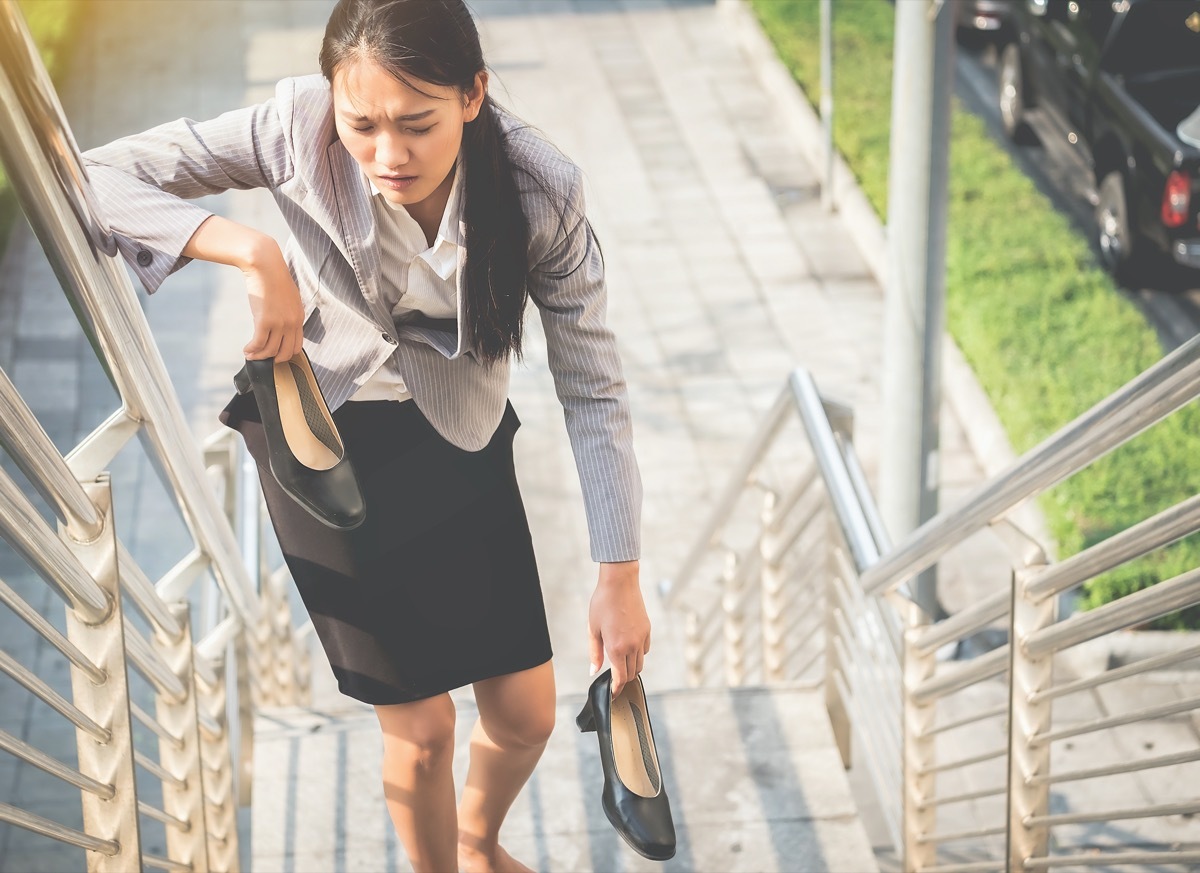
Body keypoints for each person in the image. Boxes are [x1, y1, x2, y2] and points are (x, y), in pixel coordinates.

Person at [81, 1, 651, 870]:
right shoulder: (294, 129)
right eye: (364, 125)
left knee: (528, 713)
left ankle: (476, 840)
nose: (389, 155)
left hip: (459, 433)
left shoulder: (542, 188)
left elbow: (593, 384)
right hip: (322, 433)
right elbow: (97, 174)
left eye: (418, 124)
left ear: (474, 94)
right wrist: (248, 251)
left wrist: (621, 574)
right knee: (422, 729)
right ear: (332, 102)